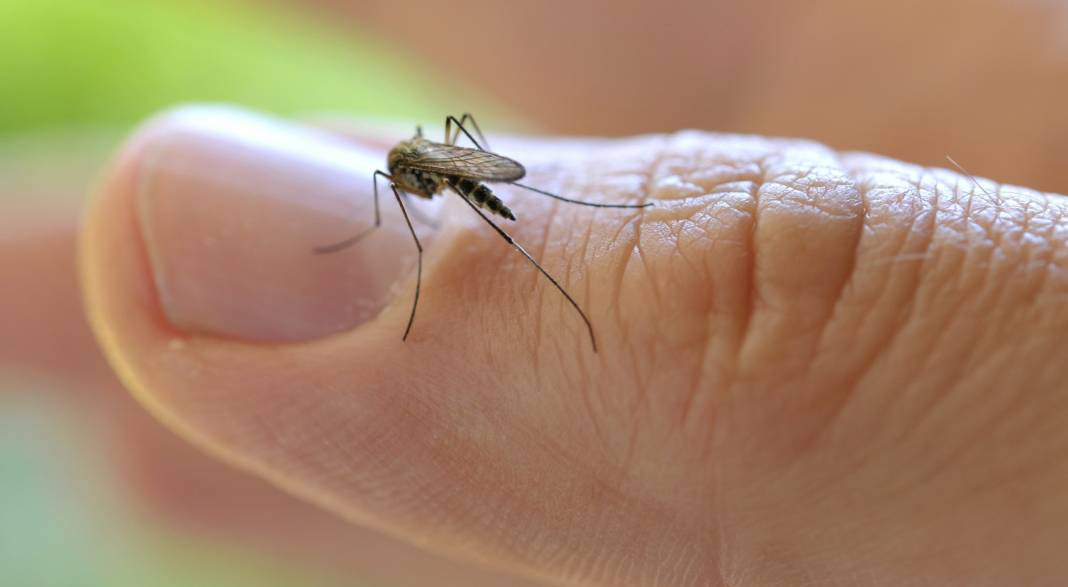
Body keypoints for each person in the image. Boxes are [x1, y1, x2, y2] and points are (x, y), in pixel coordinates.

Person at [71, 103, 1067, 585]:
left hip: (490, 171)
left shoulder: (422, 169)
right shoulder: (408, 169)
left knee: (500, 219)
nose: (403, 186)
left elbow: (432, 174)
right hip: (471, 164)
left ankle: (553, 222)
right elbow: (412, 179)